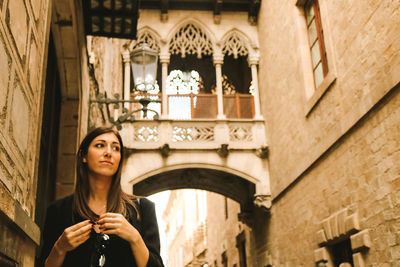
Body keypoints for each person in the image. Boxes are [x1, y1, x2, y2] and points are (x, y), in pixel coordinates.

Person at [39, 127, 164, 267]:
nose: (109, 153)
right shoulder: (58, 210)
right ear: (83, 155)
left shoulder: (143, 208)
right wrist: (59, 248)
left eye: (116, 148)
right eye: (100, 145)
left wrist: (135, 238)